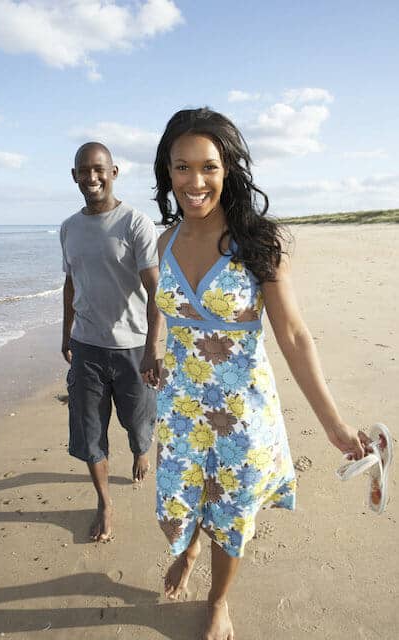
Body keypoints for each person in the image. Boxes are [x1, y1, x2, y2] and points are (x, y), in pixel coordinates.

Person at [143, 108, 372, 640]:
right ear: (167, 172)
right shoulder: (164, 243)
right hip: (179, 407)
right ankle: (190, 544)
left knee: (231, 513)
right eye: (181, 168)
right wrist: (154, 346)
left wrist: (334, 426)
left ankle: (218, 598)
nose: (194, 182)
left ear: (228, 171)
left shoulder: (258, 243)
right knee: (179, 505)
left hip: (240, 412)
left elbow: (292, 335)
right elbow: (165, 314)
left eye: (208, 167)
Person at [60, 141, 163, 543]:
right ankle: (104, 501)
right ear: (74, 176)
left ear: (114, 172)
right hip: (86, 345)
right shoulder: (69, 227)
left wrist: (153, 348)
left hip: (133, 347)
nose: (92, 177)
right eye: (84, 171)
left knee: (138, 421)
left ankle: (140, 448)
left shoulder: (135, 222)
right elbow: (70, 283)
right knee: (88, 431)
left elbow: (156, 290)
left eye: (99, 169)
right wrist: (65, 331)